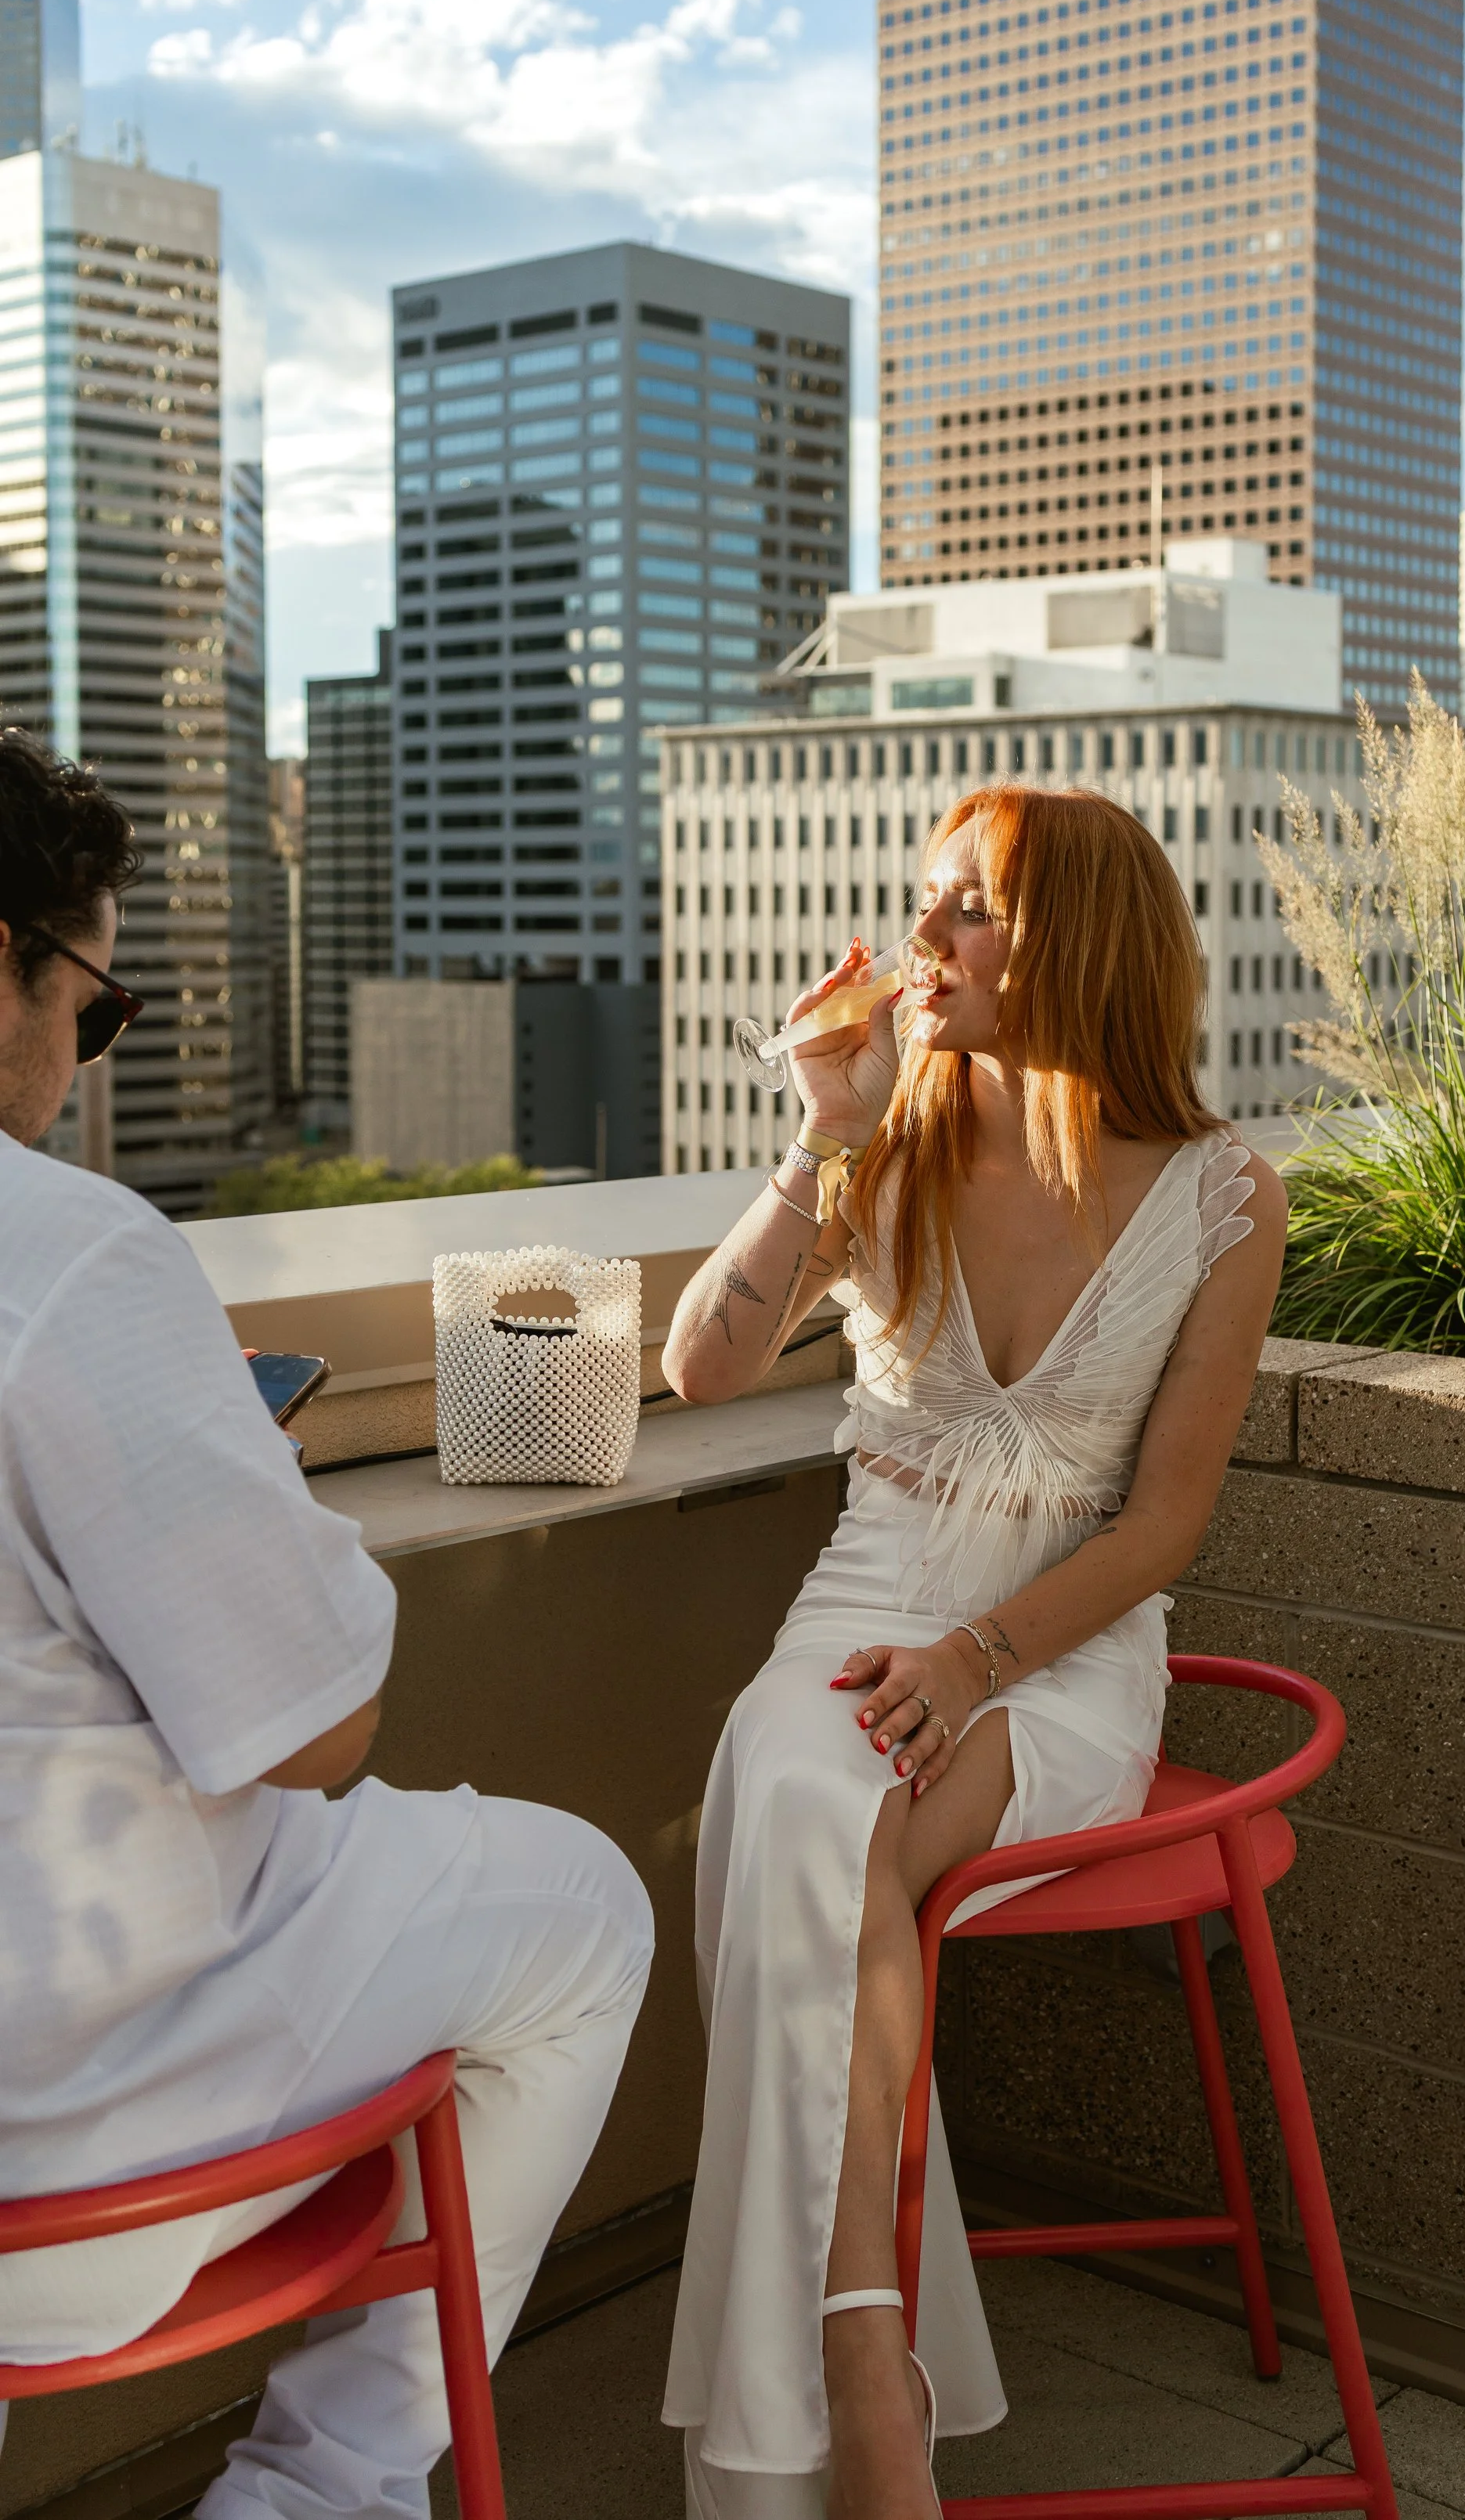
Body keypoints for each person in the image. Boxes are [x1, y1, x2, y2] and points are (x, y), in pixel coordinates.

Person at [0, 725, 653, 2517]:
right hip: (63, 2178)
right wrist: (249, 1477)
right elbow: (317, 1733)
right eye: (94, 1000)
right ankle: (320, 2496)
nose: (83, 1050)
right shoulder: (70, 1257)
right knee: (588, 1911)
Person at [659, 783, 1287, 2520]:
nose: (921, 940)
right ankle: (873, 2358)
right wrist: (821, 1125)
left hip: (1060, 1652)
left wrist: (978, 1661)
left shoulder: (1227, 1195)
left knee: (811, 1814)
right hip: (855, 1618)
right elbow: (699, 1367)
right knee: (803, 1791)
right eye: (923, 903)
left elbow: (1162, 1525)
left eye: (965, 909)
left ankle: (848, 2387)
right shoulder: (896, 1140)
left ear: (1072, 940)